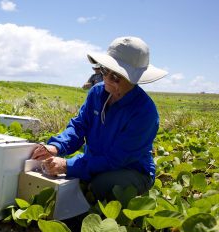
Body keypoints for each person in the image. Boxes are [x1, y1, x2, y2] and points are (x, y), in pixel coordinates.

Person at [31, 36, 168, 201]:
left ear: (134, 78)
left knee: (101, 186)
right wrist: (56, 146)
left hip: (131, 168)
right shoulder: (96, 92)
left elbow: (116, 159)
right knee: (72, 175)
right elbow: (79, 126)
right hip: (96, 160)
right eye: (104, 70)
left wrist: (67, 166)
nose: (106, 79)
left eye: (116, 76)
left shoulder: (144, 113)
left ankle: (134, 189)